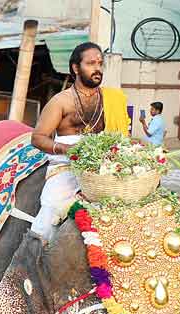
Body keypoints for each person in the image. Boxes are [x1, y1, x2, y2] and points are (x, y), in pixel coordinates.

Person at [30, 42, 130, 241]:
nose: (97, 69)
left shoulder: (113, 99)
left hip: (105, 167)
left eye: (100, 63)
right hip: (67, 167)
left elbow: (123, 137)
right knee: (50, 208)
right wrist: (68, 149)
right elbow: (38, 138)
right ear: (76, 68)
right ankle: (29, 261)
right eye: (91, 63)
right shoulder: (61, 101)